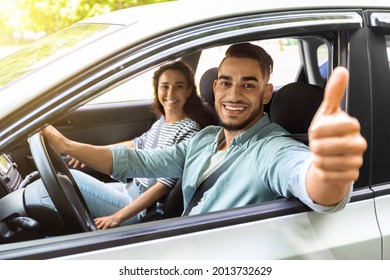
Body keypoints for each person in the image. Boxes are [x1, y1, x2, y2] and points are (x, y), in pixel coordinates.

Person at [41, 42, 367, 229]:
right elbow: (138, 159)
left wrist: (330, 171)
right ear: (215, 87)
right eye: (226, 82)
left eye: (249, 84)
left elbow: (306, 177)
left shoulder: (273, 148)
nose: (234, 94)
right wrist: (64, 144)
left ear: (267, 93)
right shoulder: (204, 138)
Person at [64, 60, 213, 227]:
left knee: (67, 181)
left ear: (189, 91)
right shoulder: (163, 121)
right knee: (68, 180)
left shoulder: (189, 130)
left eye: (179, 86)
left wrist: (118, 217)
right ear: (157, 89)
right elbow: (136, 144)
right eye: (165, 86)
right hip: (131, 189)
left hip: (144, 208)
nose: (170, 93)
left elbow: (163, 185)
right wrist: (91, 152)